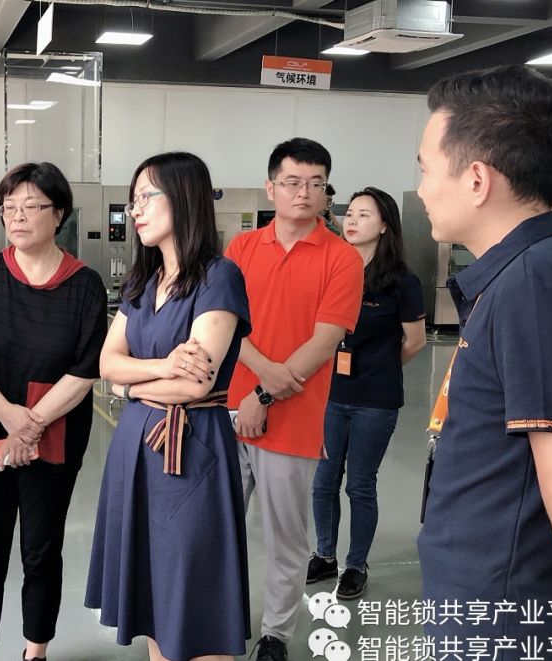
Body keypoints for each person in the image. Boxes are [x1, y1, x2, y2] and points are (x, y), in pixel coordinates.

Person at [415, 64, 552, 653]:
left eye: (426, 169)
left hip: (506, 608)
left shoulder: (535, 285)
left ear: (477, 179)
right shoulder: (529, 274)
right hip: (499, 589)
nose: (422, 189)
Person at [86, 152, 251, 661]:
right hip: (136, 451)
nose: (135, 210)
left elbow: (194, 386)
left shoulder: (218, 277)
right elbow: (107, 362)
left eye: (145, 197)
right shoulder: (144, 281)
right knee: (154, 594)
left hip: (191, 454)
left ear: (183, 198)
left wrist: (130, 387)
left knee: (195, 591)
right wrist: (158, 369)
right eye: (132, 200)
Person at [0, 162, 107, 661]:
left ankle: (35, 651)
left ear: (58, 214)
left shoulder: (84, 285)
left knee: (41, 552)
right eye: (9, 207)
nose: (16, 216)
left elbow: (85, 369)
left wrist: (30, 424)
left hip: (55, 436)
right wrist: (9, 417)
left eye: (31, 206)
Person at [225, 138, 363, 661]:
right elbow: (224, 324)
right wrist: (261, 381)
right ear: (271, 188)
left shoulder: (342, 258)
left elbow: (325, 342)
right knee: (219, 528)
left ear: (326, 191)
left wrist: (264, 393)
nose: (304, 192)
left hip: (293, 419)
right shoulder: (241, 249)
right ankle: (220, 616)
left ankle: (275, 635)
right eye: (292, 182)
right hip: (226, 410)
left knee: (285, 537)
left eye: (315, 183)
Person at [307, 186, 426, 600]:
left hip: (376, 399)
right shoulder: (331, 270)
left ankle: (356, 564)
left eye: (364, 215)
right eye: (350, 213)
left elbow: (415, 341)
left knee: (359, 484)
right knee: (323, 481)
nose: (352, 221)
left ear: (385, 226)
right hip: (330, 394)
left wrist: (382, 368)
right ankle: (325, 554)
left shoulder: (402, 282)